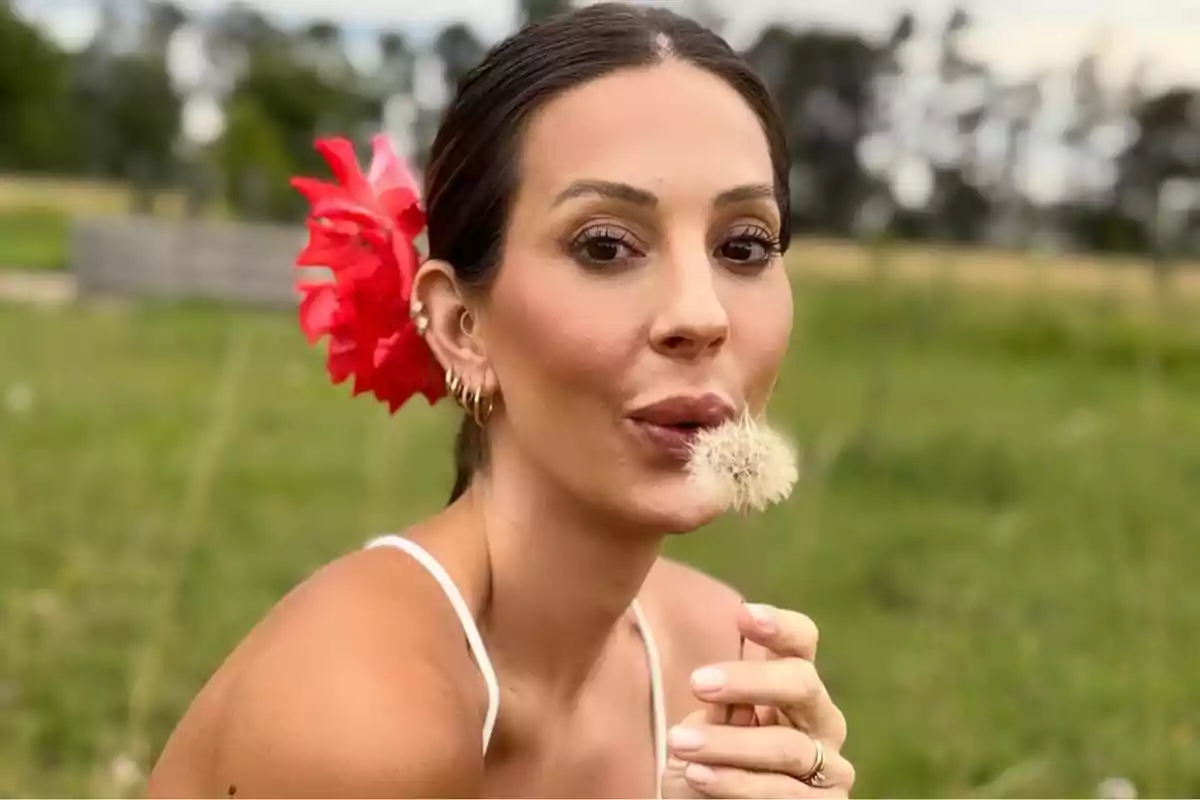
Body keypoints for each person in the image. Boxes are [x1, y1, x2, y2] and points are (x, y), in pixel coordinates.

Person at [146, 4, 853, 798]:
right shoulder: (358, 717)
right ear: (460, 326)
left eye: (744, 246)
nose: (701, 314)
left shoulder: (716, 665)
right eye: (606, 245)